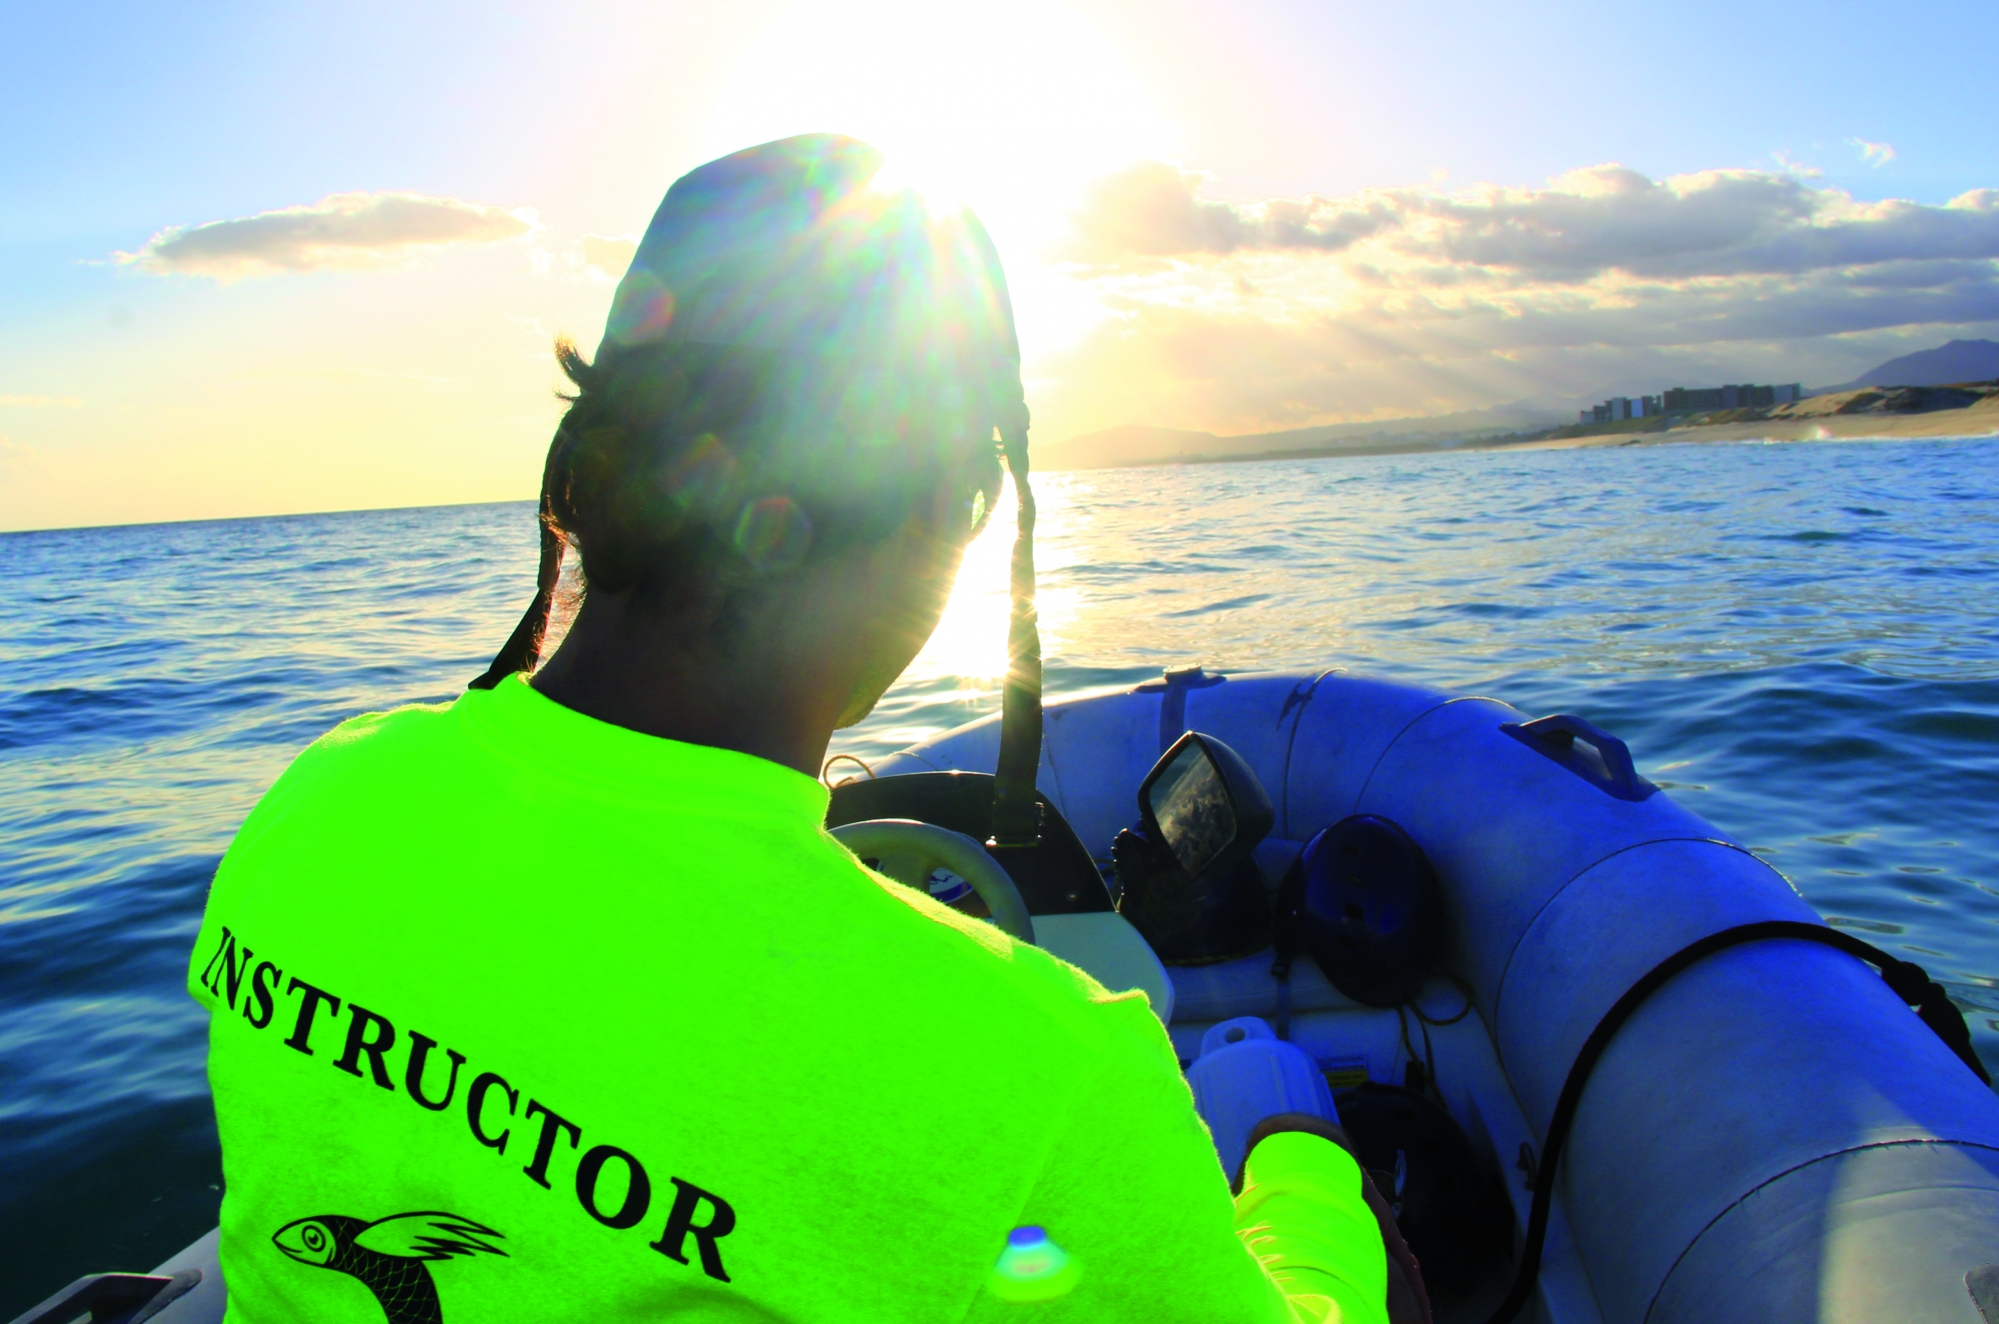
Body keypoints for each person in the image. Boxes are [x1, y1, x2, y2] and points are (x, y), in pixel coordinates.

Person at [188, 134, 1427, 1324]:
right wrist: (1298, 1150)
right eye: (972, 495)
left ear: (593, 461)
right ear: (926, 522)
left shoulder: (317, 801)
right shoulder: (1033, 1078)